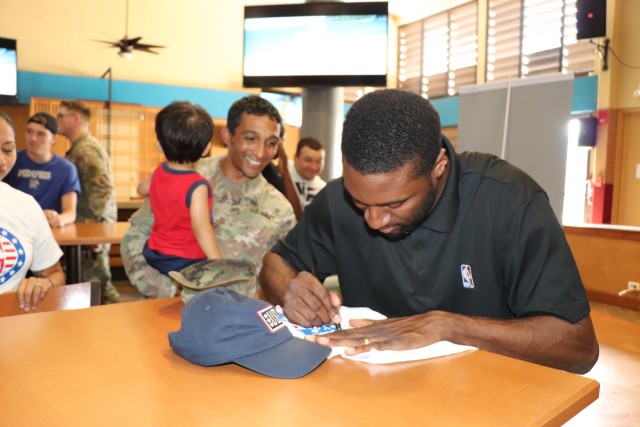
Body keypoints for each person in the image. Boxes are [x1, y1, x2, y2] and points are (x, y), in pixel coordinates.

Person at [259, 89, 599, 375]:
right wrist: (291, 289)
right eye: (360, 203)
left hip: (491, 397)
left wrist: (447, 327)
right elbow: (276, 262)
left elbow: (579, 345)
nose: (374, 220)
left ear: (439, 167)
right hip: (375, 395)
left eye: (395, 204)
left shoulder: (508, 202)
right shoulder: (338, 200)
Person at [121, 95, 296, 298]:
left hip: (232, 319)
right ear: (227, 135)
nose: (260, 152)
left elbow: (278, 281)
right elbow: (136, 237)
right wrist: (173, 292)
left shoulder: (279, 210)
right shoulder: (184, 174)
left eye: (271, 143)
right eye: (250, 138)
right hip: (164, 310)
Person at [136, 101, 222, 275]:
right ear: (206, 148)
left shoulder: (160, 171)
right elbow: (201, 227)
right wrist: (219, 264)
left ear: (159, 145)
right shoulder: (198, 186)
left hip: (155, 253)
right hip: (185, 260)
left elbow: (141, 190)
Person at [0, 111, 66, 311]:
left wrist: (43, 284)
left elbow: (55, 274)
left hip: (13, 327)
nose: (1, 160)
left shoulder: (26, 205)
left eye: (8, 149)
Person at [56, 100, 119, 303]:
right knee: (88, 284)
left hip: (92, 228)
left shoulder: (86, 150)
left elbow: (102, 189)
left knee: (98, 285)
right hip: (87, 227)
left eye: (61, 115)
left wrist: (94, 233)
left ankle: (121, 325)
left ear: (75, 119)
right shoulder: (80, 148)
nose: (57, 119)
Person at [3, 112, 80, 227]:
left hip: (49, 229)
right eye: (29, 131)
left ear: (53, 139)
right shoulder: (9, 161)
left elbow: (70, 212)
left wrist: (58, 219)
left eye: (41, 134)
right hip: (14, 225)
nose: (33, 138)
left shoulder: (66, 169)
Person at [288, 137, 326, 209]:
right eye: (308, 160)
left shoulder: (323, 189)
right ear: (295, 158)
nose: (314, 167)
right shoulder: (280, 174)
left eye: (318, 161)